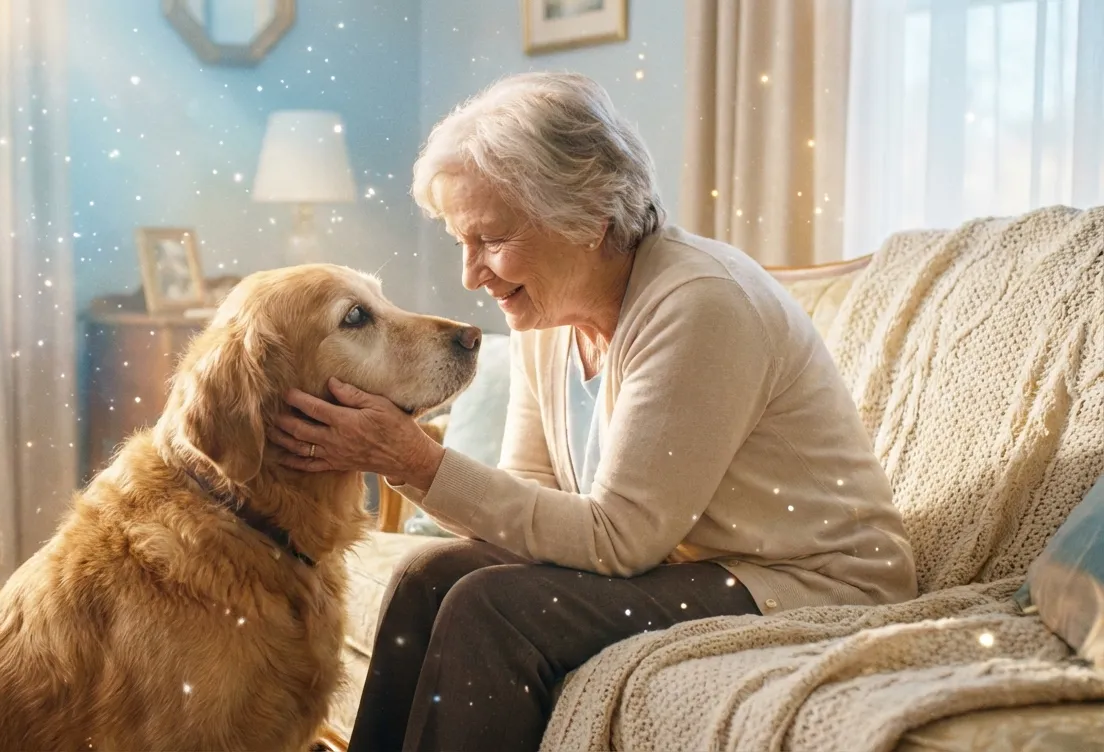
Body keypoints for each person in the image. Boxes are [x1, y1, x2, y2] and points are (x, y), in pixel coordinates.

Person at [269, 71, 917, 752]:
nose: (471, 273)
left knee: (494, 609)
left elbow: (619, 538)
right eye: (462, 241)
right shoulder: (548, 312)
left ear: (586, 218)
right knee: (426, 577)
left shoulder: (699, 304)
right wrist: (404, 459)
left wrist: (410, 460)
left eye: (491, 239)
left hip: (807, 582)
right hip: (688, 566)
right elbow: (528, 493)